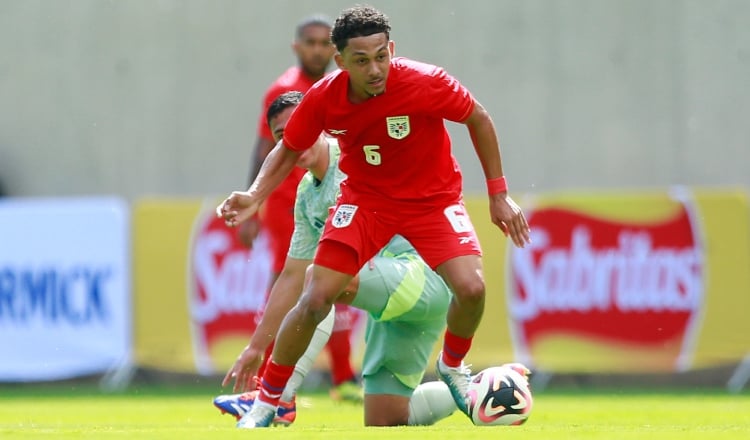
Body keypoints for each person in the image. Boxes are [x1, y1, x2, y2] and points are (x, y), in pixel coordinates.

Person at [216, 5, 531, 428]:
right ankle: (269, 401)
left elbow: (478, 117)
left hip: (432, 205)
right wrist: (256, 195)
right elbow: (288, 146)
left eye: (381, 56)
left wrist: (499, 195)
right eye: (361, 61)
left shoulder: (425, 81)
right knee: (319, 303)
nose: (375, 69)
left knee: (472, 288)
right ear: (340, 60)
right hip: (368, 204)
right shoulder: (323, 106)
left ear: (392, 50)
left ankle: (453, 365)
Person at [215, 91, 460, 427]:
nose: (293, 139)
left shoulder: (355, 157)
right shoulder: (306, 195)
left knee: (323, 280)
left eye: (298, 126)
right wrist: (256, 348)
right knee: (387, 419)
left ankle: (279, 398)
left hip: (422, 275)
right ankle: (486, 390)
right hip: (393, 304)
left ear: (317, 123)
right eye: (280, 136)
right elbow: (290, 276)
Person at [241, 14, 361, 401]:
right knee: (291, 281)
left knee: (332, 280)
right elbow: (265, 150)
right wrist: (254, 201)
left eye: (325, 43)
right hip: (290, 203)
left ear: (335, 49)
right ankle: (264, 381)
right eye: (310, 42)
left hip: (339, 192)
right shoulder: (283, 90)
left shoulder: (340, 87)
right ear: (297, 47)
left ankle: (343, 378)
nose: (318, 49)